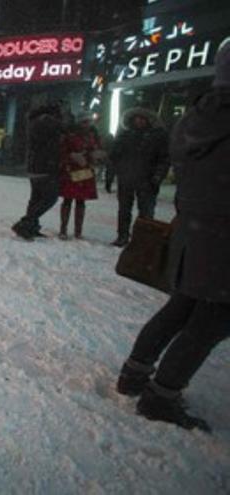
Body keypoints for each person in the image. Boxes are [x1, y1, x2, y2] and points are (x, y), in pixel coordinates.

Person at [115, 45, 230, 433]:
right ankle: (161, 396)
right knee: (211, 321)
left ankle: (135, 375)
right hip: (222, 239)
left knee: (181, 307)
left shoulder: (194, 119)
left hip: (194, 233)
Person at [106, 107, 170, 247]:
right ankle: (123, 236)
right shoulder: (126, 135)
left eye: (142, 119)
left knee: (146, 212)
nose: (139, 121)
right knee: (124, 210)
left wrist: (157, 177)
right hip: (127, 178)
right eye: (137, 118)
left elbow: (164, 159)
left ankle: (142, 240)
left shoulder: (158, 136)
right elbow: (114, 156)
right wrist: (116, 170)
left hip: (147, 179)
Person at [11, 102, 65, 241]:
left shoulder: (34, 122)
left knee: (36, 198)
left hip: (35, 166)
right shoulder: (46, 122)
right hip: (45, 166)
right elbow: (57, 136)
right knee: (49, 198)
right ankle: (26, 222)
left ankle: (31, 226)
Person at [57, 118, 100, 240]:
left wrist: (94, 156)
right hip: (72, 170)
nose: (86, 125)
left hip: (84, 171)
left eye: (88, 122)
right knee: (68, 199)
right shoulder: (71, 137)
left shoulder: (91, 137)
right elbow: (62, 152)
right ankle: (63, 229)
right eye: (84, 122)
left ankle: (77, 231)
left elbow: (96, 150)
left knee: (80, 201)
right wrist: (72, 157)